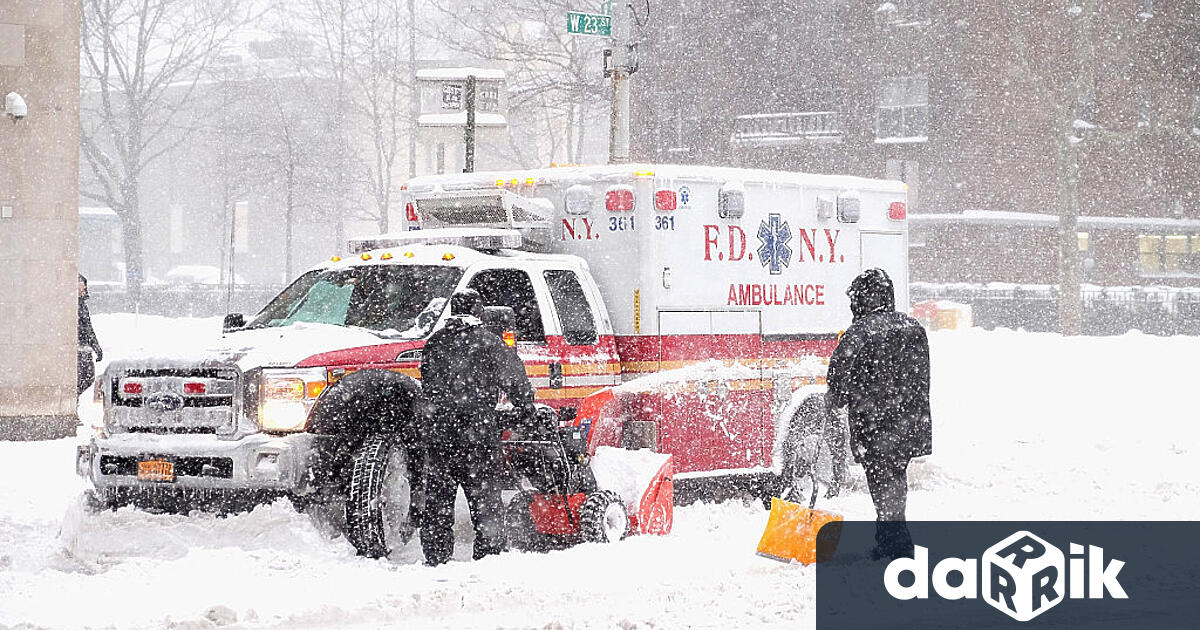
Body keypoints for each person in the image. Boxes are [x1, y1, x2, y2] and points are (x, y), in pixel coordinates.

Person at [418, 288, 535, 566]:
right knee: (485, 502)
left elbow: (427, 384)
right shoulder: (489, 343)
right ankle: (487, 558)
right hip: (477, 434)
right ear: (477, 312)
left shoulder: (434, 343)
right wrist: (525, 408)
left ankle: (436, 558)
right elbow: (515, 380)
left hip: (439, 435)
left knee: (437, 503)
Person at [825, 268, 931, 560]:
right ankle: (890, 540)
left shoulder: (857, 334)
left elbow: (838, 383)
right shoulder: (914, 328)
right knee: (895, 477)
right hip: (910, 422)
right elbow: (921, 377)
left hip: (875, 425)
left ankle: (897, 545)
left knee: (883, 481)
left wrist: (835, 399)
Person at [78, 274, 103, 396]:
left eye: (83, 285)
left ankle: (74, 399)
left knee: (88, 378)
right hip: (79, 349)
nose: (83, 288)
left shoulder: (82, 305)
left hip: (84, 348)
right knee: (84, 378)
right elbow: (87, 329)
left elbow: (88, 329)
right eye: (80, 285)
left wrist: (96, 346)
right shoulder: (76, 305)